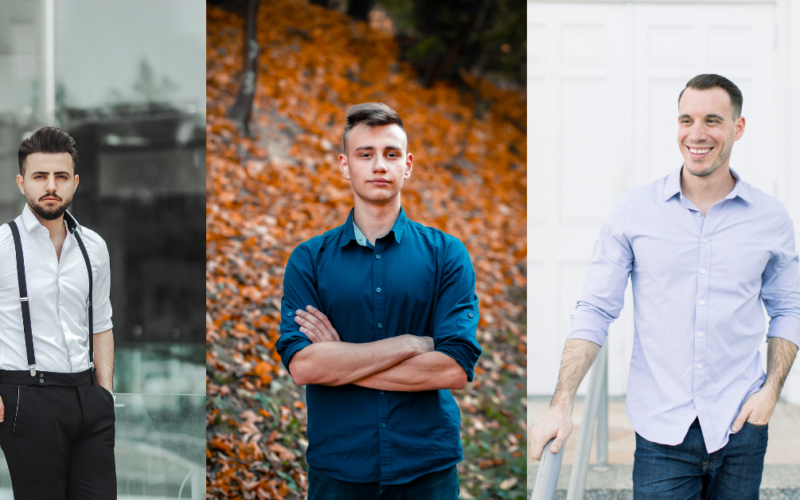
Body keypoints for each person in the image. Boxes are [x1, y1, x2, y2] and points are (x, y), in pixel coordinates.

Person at [529, 74, 800, 499]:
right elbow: (596, 310)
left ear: (738, 128)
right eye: (686, 120)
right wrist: (561, 403)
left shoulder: (770, 218)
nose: (697, 133)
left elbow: (789, 308)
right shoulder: (635, 211)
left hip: (743, 427)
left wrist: (771, 393)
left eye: (712, 120)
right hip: (662, 435)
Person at [276, 103, 481, 499]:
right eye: (365, 154)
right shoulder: (310, 259)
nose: (379, 166)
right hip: (339, 467)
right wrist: (410, 344)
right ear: (344, 165)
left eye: (390, 154)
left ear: (407, 165)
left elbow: (454, 369)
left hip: (426, 468)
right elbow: (303, 366)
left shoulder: (447, 254)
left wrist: (338, 359)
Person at [0, 127, 116, 499]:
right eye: (40, 176)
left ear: (75, 183)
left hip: (88, 397)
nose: (51, 185)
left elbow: (101, 322)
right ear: (21, 182)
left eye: (61, 176)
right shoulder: (2, 247)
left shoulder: (94, 247)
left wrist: (105, 394)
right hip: (27, 397)